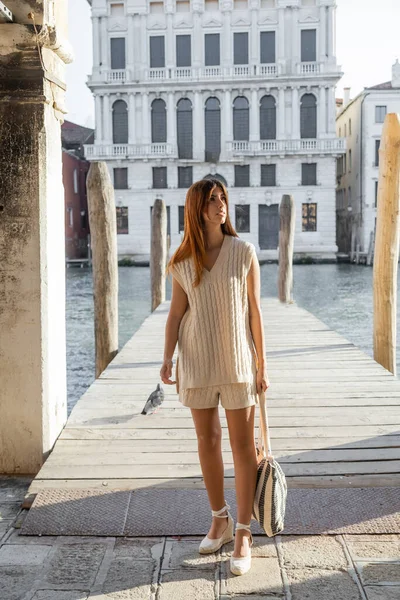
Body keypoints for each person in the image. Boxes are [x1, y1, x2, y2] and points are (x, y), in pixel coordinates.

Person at [160, 178, 270, 576]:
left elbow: (255, 312)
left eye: (223, 198)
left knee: (243, 449)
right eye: (211, 200)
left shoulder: (244, 252)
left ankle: (243, 531)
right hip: (198, 359)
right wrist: (166, 357)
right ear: (197, 209)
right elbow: (175, 315)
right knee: (207, 441)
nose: (220, 205)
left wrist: (262, 365)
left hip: (238, 360)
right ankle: (219, 519)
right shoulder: (182, 261)